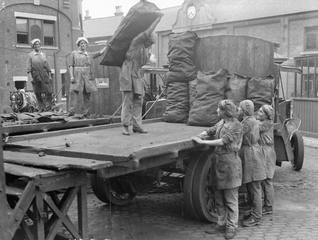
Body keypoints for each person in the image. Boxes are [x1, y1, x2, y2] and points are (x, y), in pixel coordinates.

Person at [192, 100, 243, 239]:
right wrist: (202, 134)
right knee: (218, 196)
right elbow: (211, 130)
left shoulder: (236, 125)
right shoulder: (222, 122)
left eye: (218, 109)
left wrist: (203, 142)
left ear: (224, 111)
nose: (216, 110)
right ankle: (221, 223)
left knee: (230, 199)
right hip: (219, 163)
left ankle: (232, 227)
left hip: (231, 164)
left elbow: (223, 141)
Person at [120, 14, 162, 135]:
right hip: (127, 74)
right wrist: (157, 20)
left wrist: (150, 58)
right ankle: (125, 126)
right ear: (147, 38)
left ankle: (137, 126)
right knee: (128, 101)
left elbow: (143, 63)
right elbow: (147, 31)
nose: (151, 45)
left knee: (139, 99)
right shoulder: (136, 42)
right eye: (150, 42)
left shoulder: (145, 49)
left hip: (137, 75)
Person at [238, 100, 266, 227]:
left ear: (244, 110)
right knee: (251, 186)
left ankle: (256, 217)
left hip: (252, 155)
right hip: (251, 153)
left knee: (255, 187)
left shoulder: (248, 122)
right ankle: (254, 212)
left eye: (239, 108)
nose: (237, 110)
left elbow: (236, 133)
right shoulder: (250, 120)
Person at [68, 37, 106, 117]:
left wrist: (107, 46)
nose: (83, 45)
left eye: (85, 43)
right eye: (81, 43)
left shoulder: (89, 55)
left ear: (86, 45)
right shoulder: (74, 53)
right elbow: (71, 66)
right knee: (74, 93)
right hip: (77, 74)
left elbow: (100, 53)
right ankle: (71, 111)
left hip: (87, 75)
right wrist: (71, 76)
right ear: (78, 45)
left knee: (87, 94)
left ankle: (86, 112)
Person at [257, 104, 276, 215]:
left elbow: (254, 127)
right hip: (263, 151)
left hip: (267, 153)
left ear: (267, 115)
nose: (258, 114)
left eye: (260, 112)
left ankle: (268, 206)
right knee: (264, 179)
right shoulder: (263, 123)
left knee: (267, 180)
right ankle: (265, 204)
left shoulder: (266, 124)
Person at [27, 38, 53, 111]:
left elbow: (47, 66)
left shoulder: (43, 54)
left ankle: (49, 106)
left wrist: (50, 75)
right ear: (33, 46)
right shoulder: (30, 55)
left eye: (38, 44)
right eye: (35, 44)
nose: (37, 46)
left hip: (45, 75)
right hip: (36, 76)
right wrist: (31, 78)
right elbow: (29, 69)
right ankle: (41, 107)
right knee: (38, 92)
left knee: (49, 91)